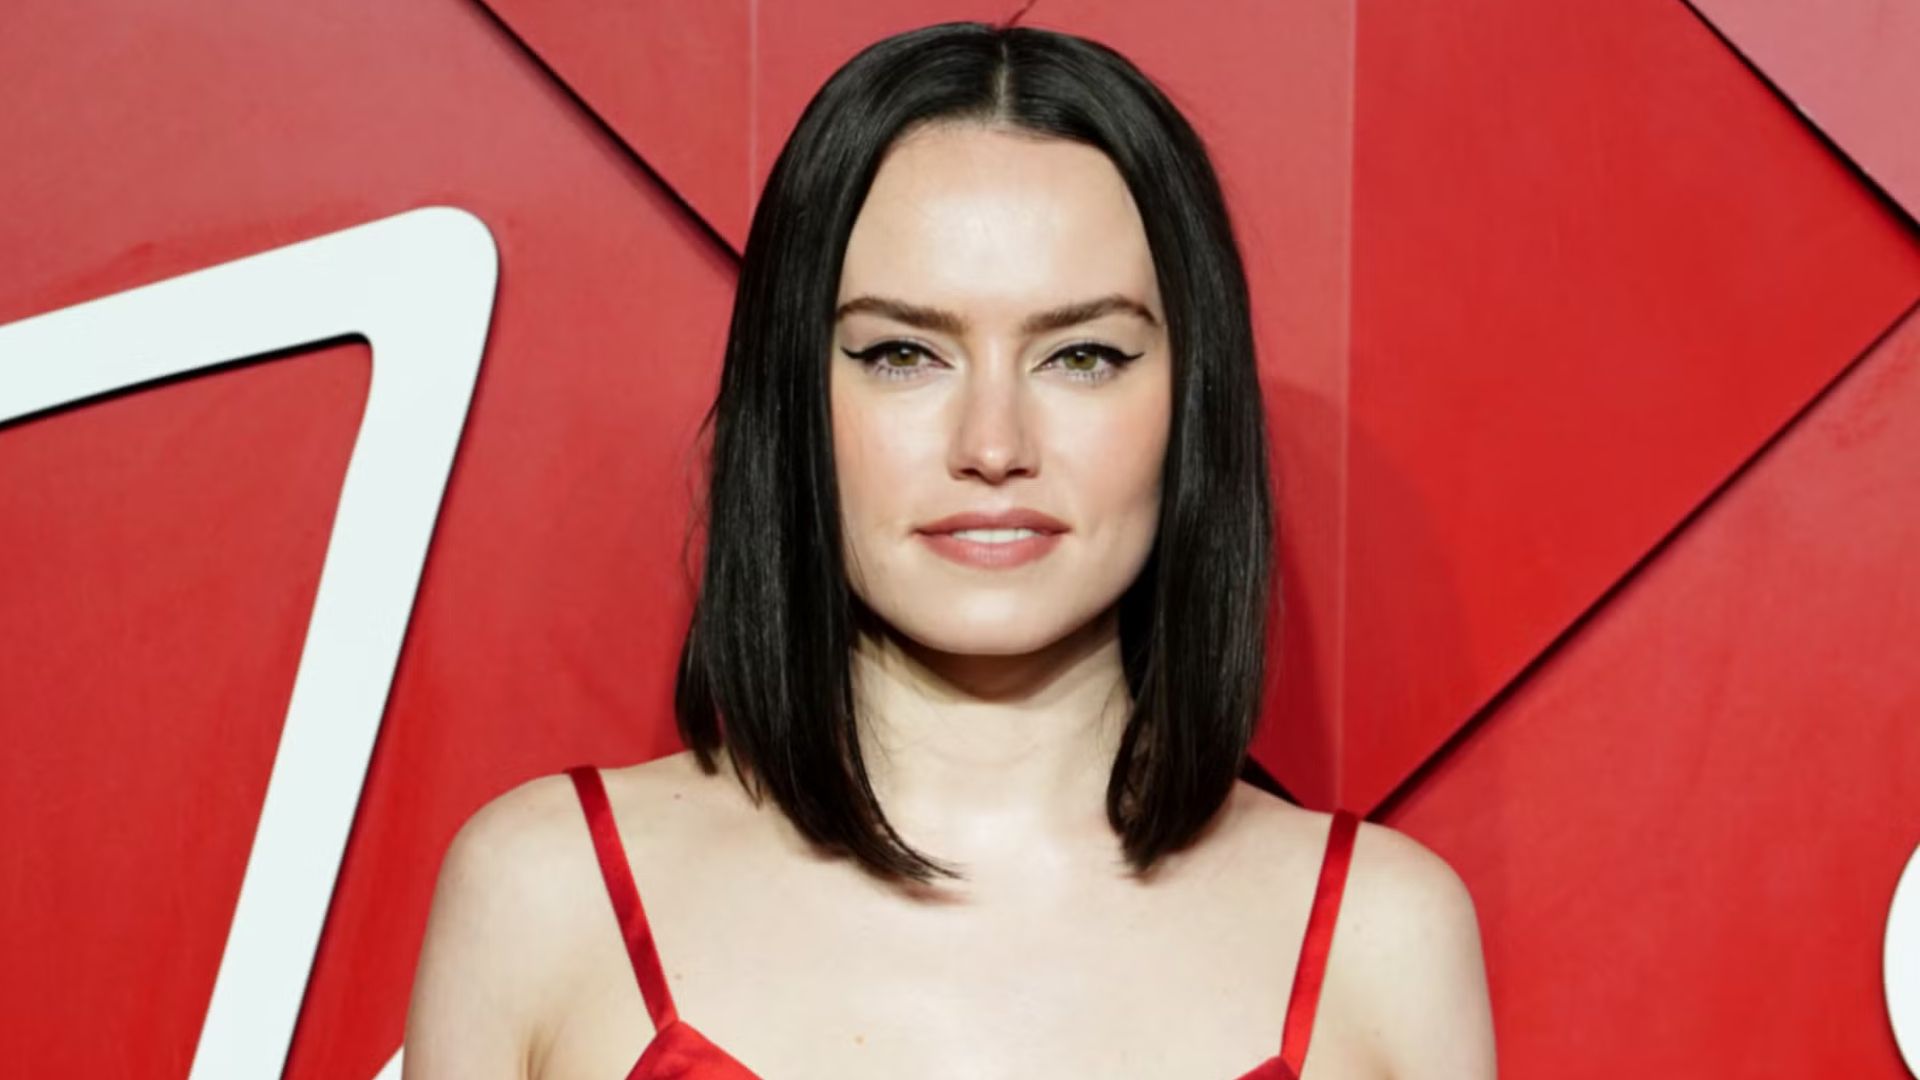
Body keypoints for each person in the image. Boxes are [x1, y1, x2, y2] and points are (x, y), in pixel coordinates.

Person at [405, 18, 1495, 1080]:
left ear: (1191, 402)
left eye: (1082, 356)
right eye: (902, 354)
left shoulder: (1382, 944)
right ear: (792, 396)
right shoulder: (545, 900)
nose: (993, 445)